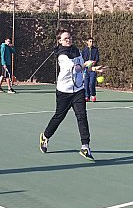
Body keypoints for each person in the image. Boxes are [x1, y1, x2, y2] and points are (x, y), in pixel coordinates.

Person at [39, 30, 99, 161]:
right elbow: (77, 68)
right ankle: (45, 136)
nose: (69, 40)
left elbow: (83, 67)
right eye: (65, 38)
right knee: (59, 117)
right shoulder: (62, 55)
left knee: (82, 116)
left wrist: (94, 69)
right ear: (59, 41)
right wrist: (86, 65)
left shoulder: (76, 50)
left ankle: (85, 146)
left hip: (78, 90)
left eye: (70, 38)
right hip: (64, 92)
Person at [81, 37, 100, 102]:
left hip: (93, 69)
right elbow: (82, 59)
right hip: (86, 70)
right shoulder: (84, 50)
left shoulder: (95, 50)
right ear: (87, 42)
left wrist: (93, 63)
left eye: (92, 41)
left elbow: (97, 59)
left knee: (92, 83)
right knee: (86, 84)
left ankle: (93, 95)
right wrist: (85, 64)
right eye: (90, 41)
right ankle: (87, 96)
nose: (91, 43)